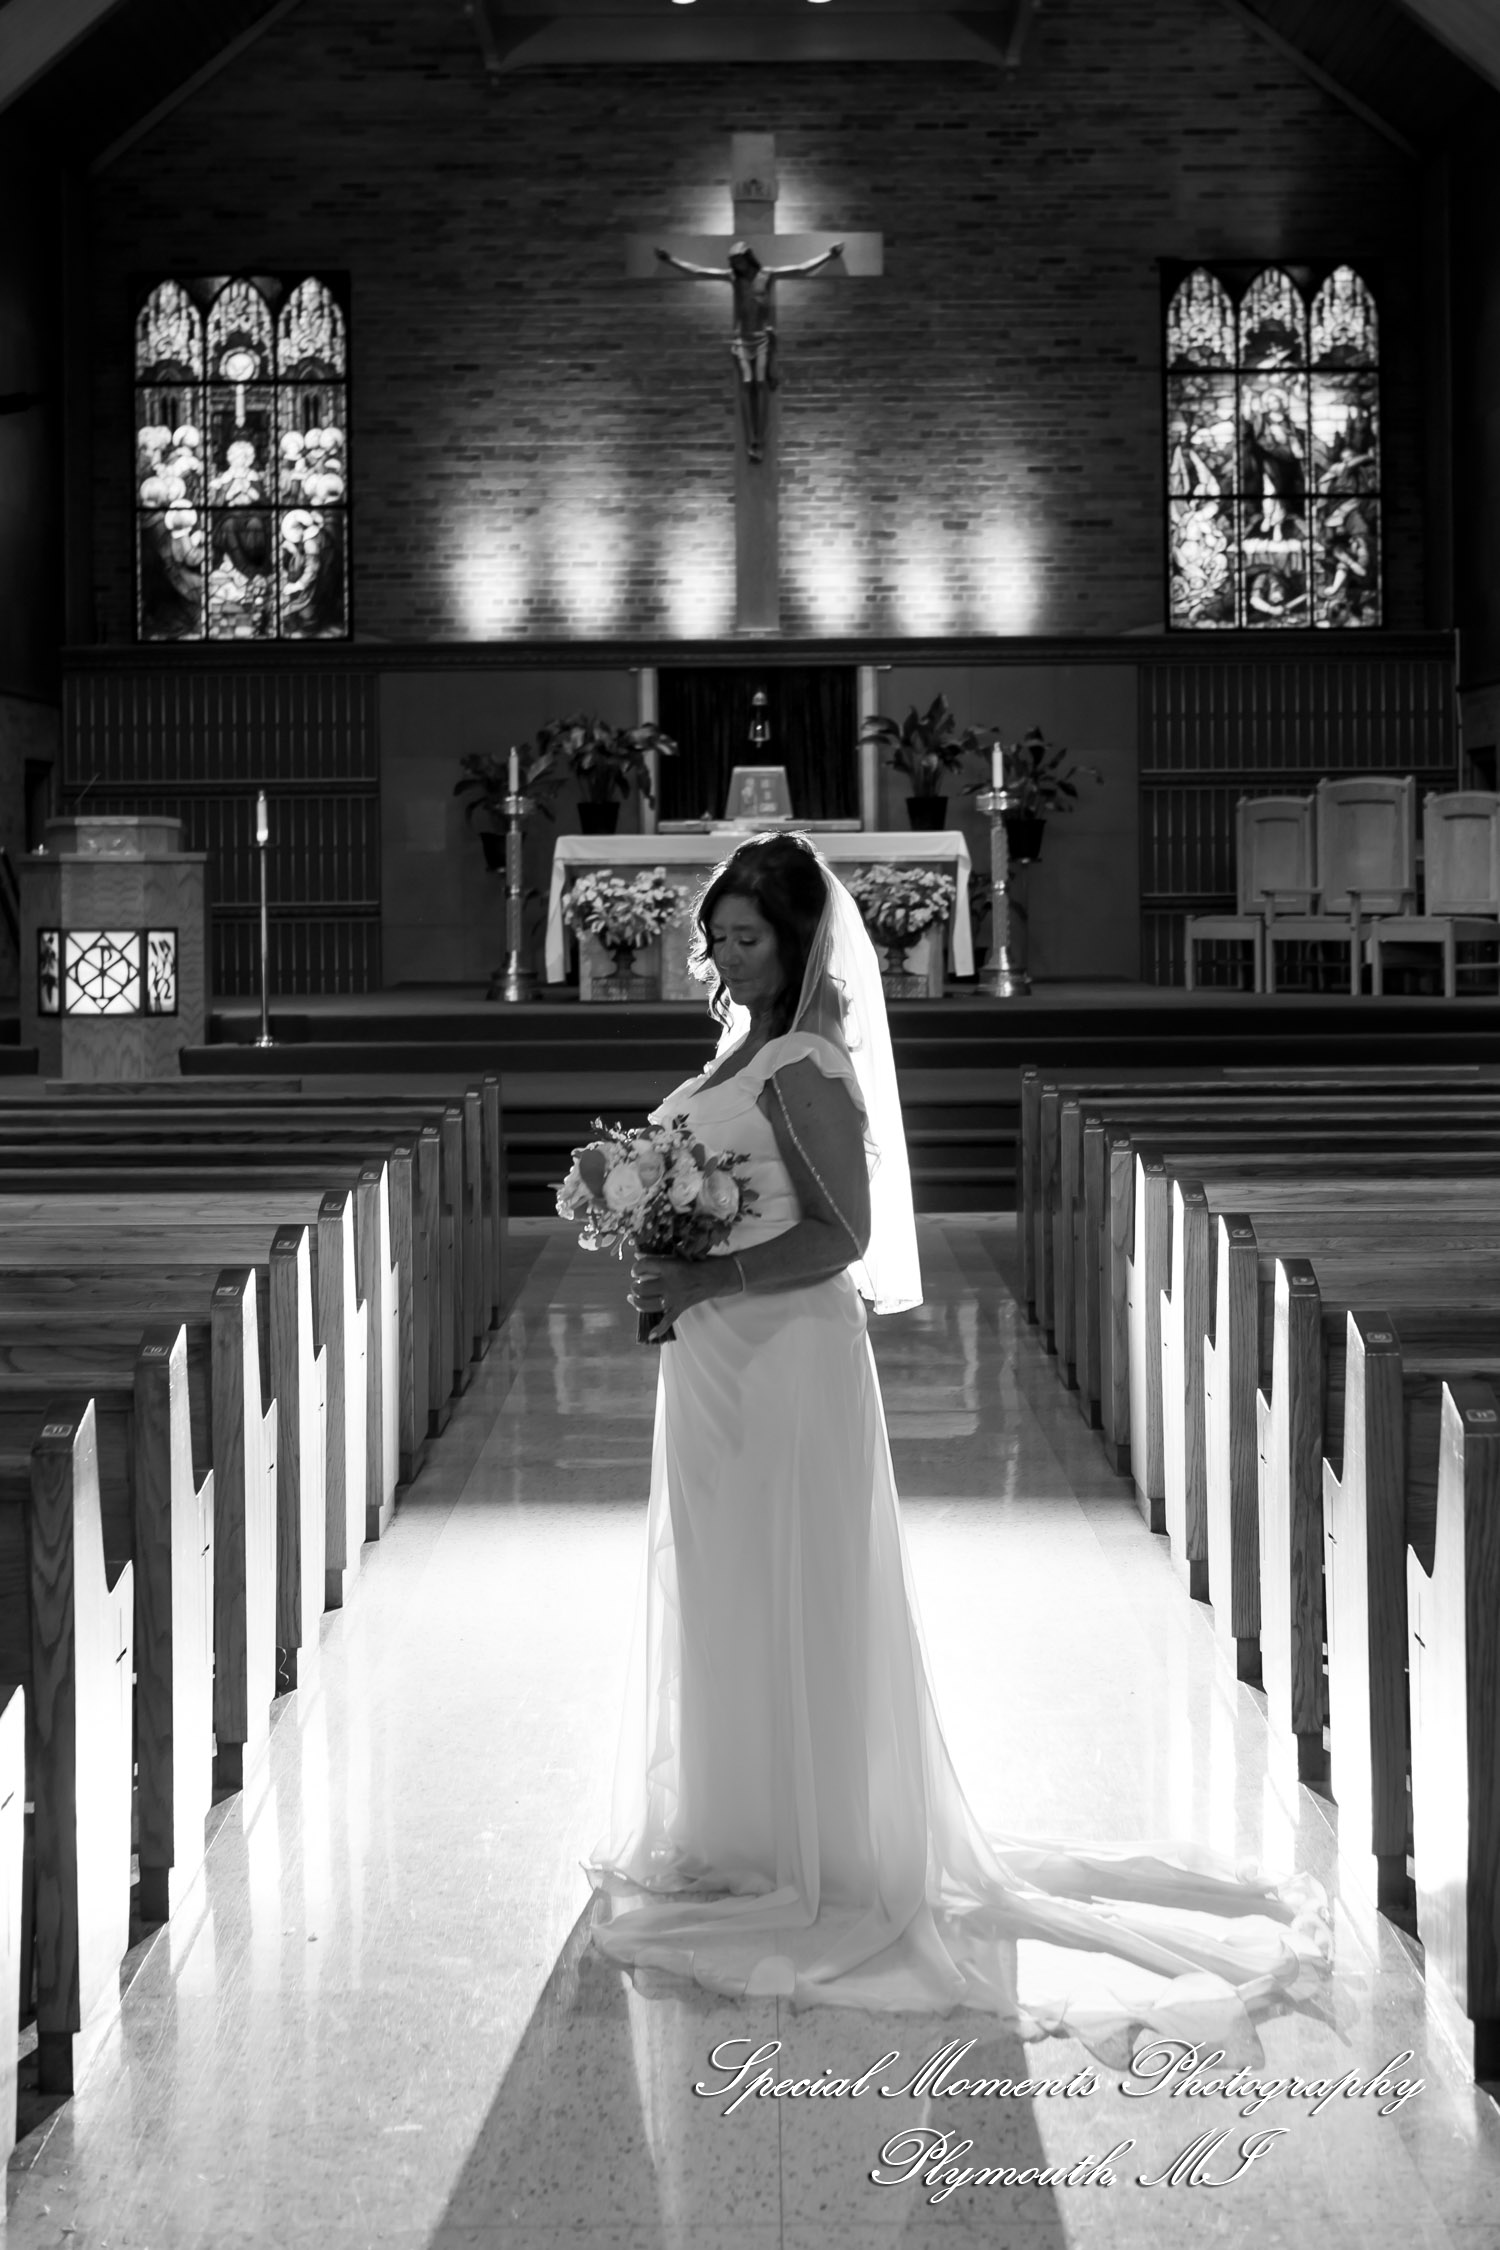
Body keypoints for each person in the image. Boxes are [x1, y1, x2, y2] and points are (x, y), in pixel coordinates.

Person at [583, 833, 1329, 2065]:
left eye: (745, 937)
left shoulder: (811, 1061)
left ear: (802, 941)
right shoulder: (741, 1048)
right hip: (720, 1363)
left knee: (792, 1583)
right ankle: (742, 1826)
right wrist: (665, 1267)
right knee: (722, 1587)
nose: (722, 956)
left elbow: (839, 1238)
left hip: (784, 1363)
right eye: (713, 937)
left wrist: (700, 1269)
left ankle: (818, 1844)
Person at [654, 237, 844, 462]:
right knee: (746, 383)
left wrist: (828, 255)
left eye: (739, 261)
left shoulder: (767, 275)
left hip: (761, 339)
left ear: (748, 258)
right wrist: (670, 259)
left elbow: (801, 269)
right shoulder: (733, 278)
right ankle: (751, 439)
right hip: (742, 341)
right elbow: (699, 271)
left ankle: (759, 439)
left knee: (760, 383)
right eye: (734, 262)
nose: (737, 266)